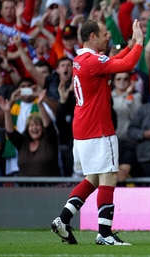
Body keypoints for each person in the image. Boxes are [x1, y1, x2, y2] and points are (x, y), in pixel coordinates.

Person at [51, 19, 144, 245]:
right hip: (98, 129)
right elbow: (127, 64)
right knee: (109, 176)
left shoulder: (81, 60)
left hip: (82, 129)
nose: (108, 36)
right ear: (92, 36)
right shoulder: (93, 61)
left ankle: (63, 220)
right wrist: (139, 43)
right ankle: (104, 232)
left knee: (92, 178)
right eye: (104, 34)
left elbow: (112, 61)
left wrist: (130, 45)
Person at [0, 87, 61, 177]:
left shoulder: (50, 140)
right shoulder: (23, 143)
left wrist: (40, 105)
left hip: (48, 189)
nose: (34, 128)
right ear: (27, 129)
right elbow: (10, 133)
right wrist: (7, 112)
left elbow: (48, 126)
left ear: (42, 128)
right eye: (31, 125)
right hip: (24, 189)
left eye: (37, 125)